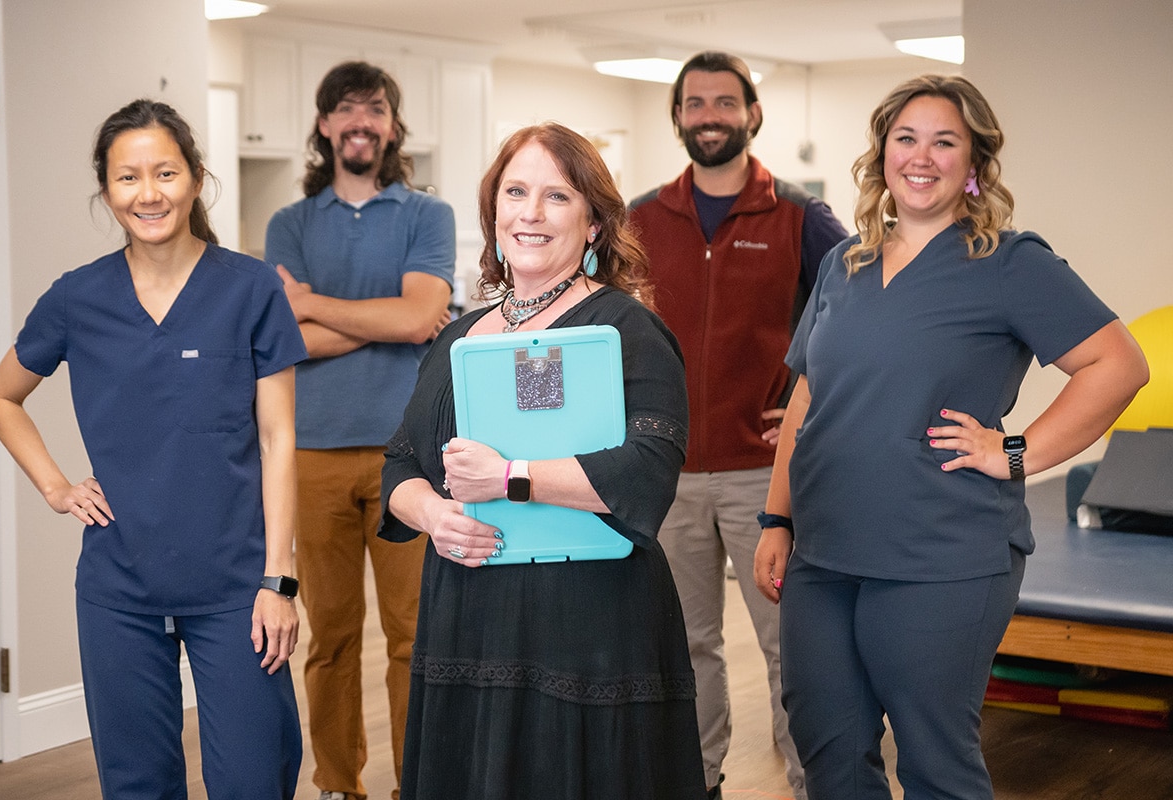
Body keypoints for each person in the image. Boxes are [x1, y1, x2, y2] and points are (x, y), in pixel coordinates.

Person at [754, 74, 1150, 800]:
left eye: (945, 141)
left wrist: (1016, 450)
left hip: (942, 555)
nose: (922, 156)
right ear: (882, 154)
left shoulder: (1007, 261)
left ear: (974, 163)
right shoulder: (845, 265)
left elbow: (1118, 364)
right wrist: (777, 519)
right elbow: (807, 396)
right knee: (830, 755)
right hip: (824, 554)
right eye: (906, 138)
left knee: (935, 760)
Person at [0, 99, 305, 799]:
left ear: (194, 179)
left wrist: (279, 580)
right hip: (118, 588)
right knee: (136, 785)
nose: (148, 193)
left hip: (236, 587)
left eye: (165, 172)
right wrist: (56, 487)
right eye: (128, 178)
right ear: (106, 190)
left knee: (255, 779)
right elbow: (1, 395)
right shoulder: (77, 297)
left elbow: (280, 439)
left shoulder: (250, 288)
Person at [380, 122, 705, 799]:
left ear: (592, 224)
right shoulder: (459, 340)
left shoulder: (626, 331)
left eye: (557, 197)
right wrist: (436, 514)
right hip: (470, 615)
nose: (531, 213)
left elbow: (647, 468)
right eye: (516, 191)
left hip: (588, 624)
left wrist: (508, 478)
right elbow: (401, 466)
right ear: (493, 210)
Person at [627, 51, 847, 800]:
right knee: (685, 649)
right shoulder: (640, 219)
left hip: (767, 476)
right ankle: (698, 782)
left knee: (794, 647)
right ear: (679, 117)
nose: (710, 115)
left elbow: (858, 316)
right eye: (696, 103)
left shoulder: (799, 216)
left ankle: (817, 781)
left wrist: (822, 399)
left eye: (726, 102)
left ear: (753, 114)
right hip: (668, 471)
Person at [264, 61, 455, 800]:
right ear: (323, 126)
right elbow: (288, 340)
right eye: (345, 110)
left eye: (374, 109)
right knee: (330, 640)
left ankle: (420, 783)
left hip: (407, 459)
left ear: (393, 126)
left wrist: (315, 301)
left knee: (414, 638)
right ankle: (340, 786)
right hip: (308, 457)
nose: (360, 122)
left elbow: (418, 319)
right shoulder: (291, 223)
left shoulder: (424, 216)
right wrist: (390, 319)